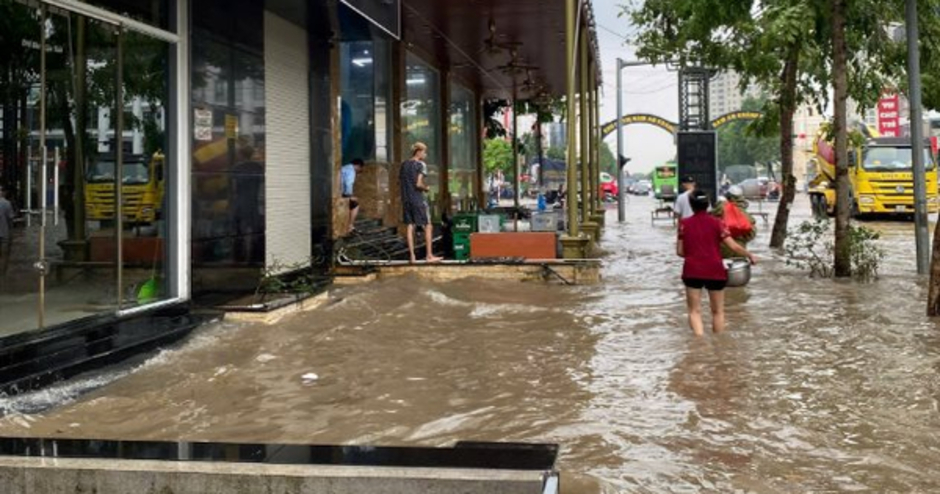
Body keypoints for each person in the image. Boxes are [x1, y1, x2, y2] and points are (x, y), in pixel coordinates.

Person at [677, 190, 757, 336]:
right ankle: (718, 346)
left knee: (694, 311)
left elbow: (680, 252)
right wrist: (749, 255)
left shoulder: (684, 224)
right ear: (707, 205)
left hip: (692, 270)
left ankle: (700, 344)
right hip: (715, 270)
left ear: (691, 205)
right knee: (718, 311)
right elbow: (733, 246)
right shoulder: (718, 223)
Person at [400, 142, 442, 263]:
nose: (425, 154)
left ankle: (412, 256)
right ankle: (429, 255)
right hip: (418, 199)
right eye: (424, 152)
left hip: (406, 199)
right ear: (418, 152)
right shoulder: (420, 165)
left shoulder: (404, 165)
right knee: (428, 226)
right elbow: (418, 184)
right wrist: (426, 188)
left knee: (410, 226)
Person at [711, 185, 756, 258]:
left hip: (722, 250)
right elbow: (752, 234)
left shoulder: (719, 209)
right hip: (740, 251)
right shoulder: (746, 215)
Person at [341, 158, 364, 235]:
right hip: (342, 193)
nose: (359, 171)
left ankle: (347, 226)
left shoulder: (344, 168)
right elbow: (348, 183)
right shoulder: (351, 171)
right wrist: (350, 196)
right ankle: (350, 227)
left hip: (337, 192)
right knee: (355, 205)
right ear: (358, 166)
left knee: (349, 206)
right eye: (360, 169)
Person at [0, 186, 14, 277]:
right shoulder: (6, 203)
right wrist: (11, 232)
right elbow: (10, 219)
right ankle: (2, 274)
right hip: (4, 234)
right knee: (4, 255)